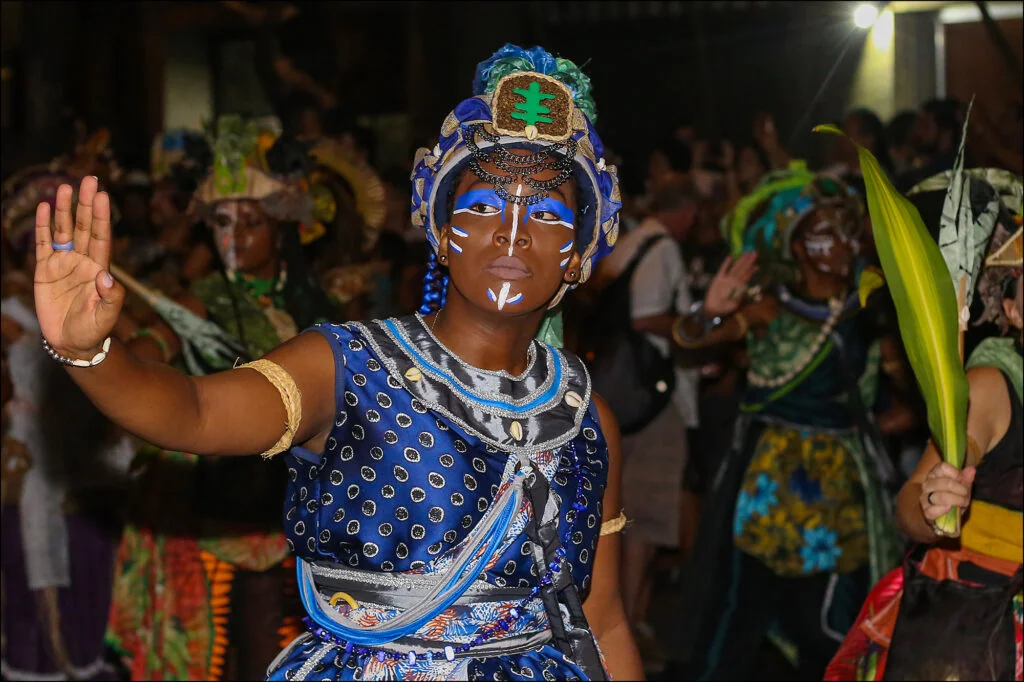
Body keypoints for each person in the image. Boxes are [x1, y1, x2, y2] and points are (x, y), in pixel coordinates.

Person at [31, 44, 642, 680]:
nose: (512, 233)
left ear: (579, 254)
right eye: (484, 206)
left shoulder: (586, 421)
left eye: (546, 215)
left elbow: (604, 624)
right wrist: (89, 352)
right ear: (437, 229)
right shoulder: (348, 366)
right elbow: (196, 411)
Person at [104, 118, 340, 680]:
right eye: (223, 222)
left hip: (295, 510)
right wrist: (115, 355)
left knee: (280, 650)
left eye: (252, 223)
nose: (234, 237)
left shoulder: (316, 302)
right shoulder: (202, 299)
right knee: (213, 654)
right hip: (211, 505)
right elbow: (151, 348)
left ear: (282, 228)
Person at [670, 170, 902, 680]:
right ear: (796, 245)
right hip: (766, 488)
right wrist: (709, 312)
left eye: (848, 231)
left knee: (832, 620)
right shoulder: (770, 307)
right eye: (825, 233)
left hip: (838, 496)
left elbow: (910, 397)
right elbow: (688, 340)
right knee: (740, 605)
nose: (842, 245)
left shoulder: (867, 313)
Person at [826, 175, 1023, 681]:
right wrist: (933, 504)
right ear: (1012, 309)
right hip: (980, 638)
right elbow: (913, 501)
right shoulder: (991, 384)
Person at [1, 176, 133, 682]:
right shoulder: (10, 319)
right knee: (29, 600)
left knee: (89, 584)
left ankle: (83, 661)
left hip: (85, 471)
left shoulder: (103, 308)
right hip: (28, 470)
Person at [594, 179, 700, 639]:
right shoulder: (664, 248)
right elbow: (646, 316)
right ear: (687, 213)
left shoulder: (631, 238)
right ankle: (629, 625)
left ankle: (620, 618)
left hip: (620, 391)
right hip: (654, 399)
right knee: (646, 520)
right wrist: (700, 326)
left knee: (619, 511)